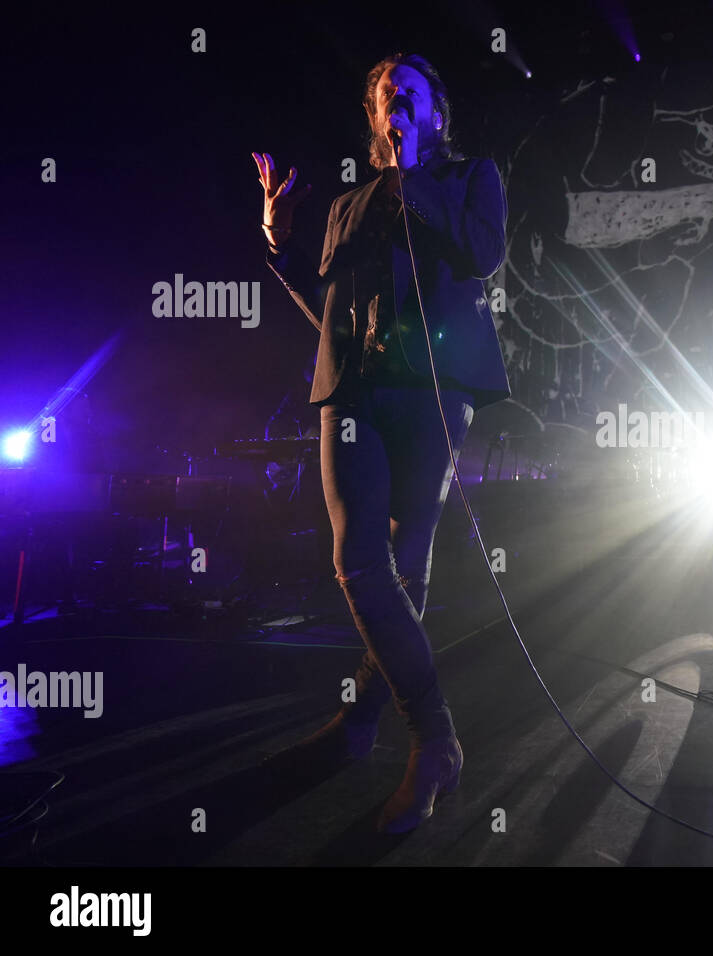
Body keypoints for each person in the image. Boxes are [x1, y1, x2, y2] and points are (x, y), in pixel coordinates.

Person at [252, 52, 509, 834]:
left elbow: (482, 253)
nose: (392, 103)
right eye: (381, 97)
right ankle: (436, 740)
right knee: (359, 561)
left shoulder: (471, 178)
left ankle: (363, 723)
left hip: (432, 393)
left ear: (434, 110)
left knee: (405, 567)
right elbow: (327, 313)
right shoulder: (344, 206)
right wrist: (279, 244)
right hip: (354, 394)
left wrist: (409, 177)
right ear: (371, 117)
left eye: (407, 93)